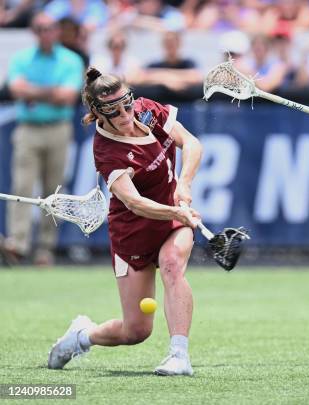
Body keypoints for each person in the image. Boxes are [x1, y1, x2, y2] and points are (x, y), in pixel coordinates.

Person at [47, 67, 203, 376]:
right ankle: (82, 335)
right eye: (113, 110)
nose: (125, 114)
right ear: (97, 112)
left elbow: (192, 143)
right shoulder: (107, 150)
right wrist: (177, 212)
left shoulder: (146, 111)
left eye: (127, 104)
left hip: (172, 216)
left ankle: (179, 356)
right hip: (133, 229)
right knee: (136, 331)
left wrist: (183, 184)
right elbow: (134, 202)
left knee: (172, 263)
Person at [3, 12, 84, 266]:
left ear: (57, 31)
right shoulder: (22, 58)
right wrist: (50, 92)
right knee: (22, 187)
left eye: (49, 28)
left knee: (54, 192)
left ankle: (45, 249)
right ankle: (17, 244)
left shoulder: (70, 60)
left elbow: (68, 95)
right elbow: (15, 88)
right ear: (33, 31)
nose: (44, 33)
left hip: (58, 127)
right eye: (39, 28)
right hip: (28, 127)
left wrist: (33, 92)